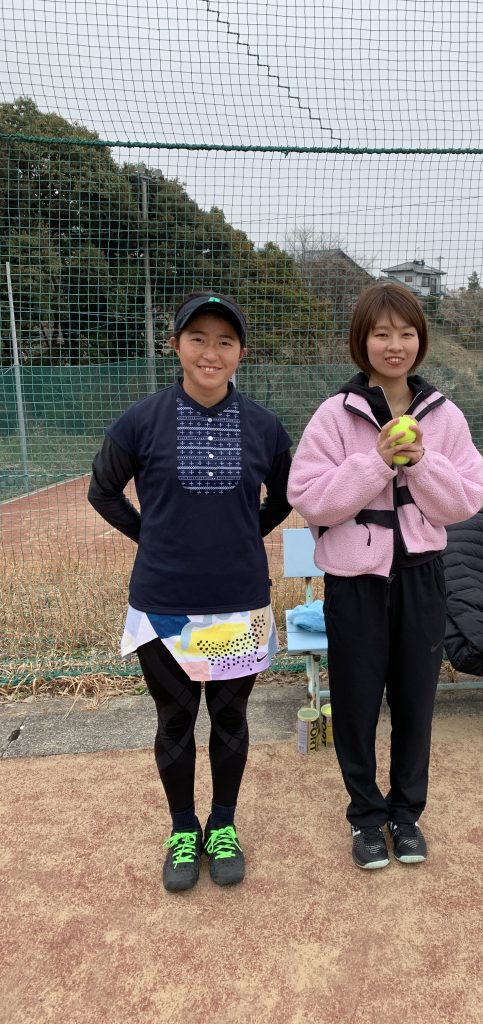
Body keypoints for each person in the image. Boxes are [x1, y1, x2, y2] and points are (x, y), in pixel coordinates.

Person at [88, 292, 292, 891]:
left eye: (225, 341)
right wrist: (150, 537)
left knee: (229, 717)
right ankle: (183, 828)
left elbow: (284, 497)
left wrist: (241, 536)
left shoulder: (264, 427)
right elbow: (103, 491)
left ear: (241, 354)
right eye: (197, 338)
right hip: (163, 606)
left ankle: (222, 824)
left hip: (238, 603)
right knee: (175, 719)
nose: (210, 352)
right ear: (175, 345)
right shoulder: (141, 420)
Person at [287, 281, 483, 869]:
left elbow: (466, 499)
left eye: (405, 333)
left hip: (422, 578)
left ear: (420, 340)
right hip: (354, 583)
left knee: (414, 701)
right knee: (355, 704)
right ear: (363, 341)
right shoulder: (335, 415)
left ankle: (406, 815)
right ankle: (365, 818)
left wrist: (421, 461)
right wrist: (376, 462)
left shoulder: (444, 416)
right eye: (381, 333)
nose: (394, 344)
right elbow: (310, 499)